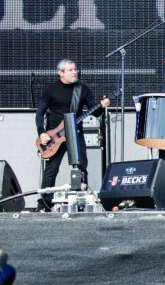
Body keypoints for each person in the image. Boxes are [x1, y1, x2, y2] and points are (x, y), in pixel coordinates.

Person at [35, 59, 110, 209]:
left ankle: (81, 202)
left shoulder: (82, 89)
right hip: (54, 137)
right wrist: (41, 132)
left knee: (81, 168)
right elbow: (40, 112)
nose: (74, 72)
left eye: (75, 69)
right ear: (61, 73)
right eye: (70, 70)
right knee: (51, 171)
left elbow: (95, 112)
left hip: (75, 133)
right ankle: (44, 205)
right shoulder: (51, 89)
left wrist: (102, 106)